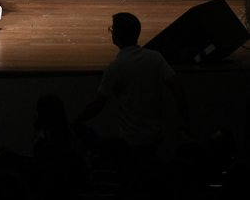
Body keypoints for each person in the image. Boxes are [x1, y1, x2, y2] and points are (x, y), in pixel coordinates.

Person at [73, 12, 191, 161]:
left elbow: (98, 103)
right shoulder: (155, 58)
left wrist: (77, 121)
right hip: (155, 136)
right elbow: (178, 89)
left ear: (116, 36)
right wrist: (185, 121)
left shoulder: (117, 67)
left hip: (131, 139)